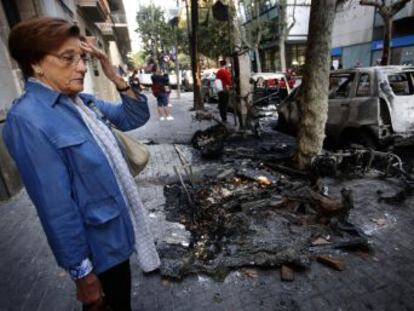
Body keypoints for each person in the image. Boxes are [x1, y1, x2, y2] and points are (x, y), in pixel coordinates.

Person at [4, 17, 160, 310]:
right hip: (96, 250)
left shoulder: (81, 103)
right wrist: (81, 274)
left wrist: (113, 75)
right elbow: (56, 209)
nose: (82, 66)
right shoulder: (28, 120)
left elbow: (134, 118)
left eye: (82, 58)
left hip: (117, 235)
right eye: (68, 58)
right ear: (36, 63)